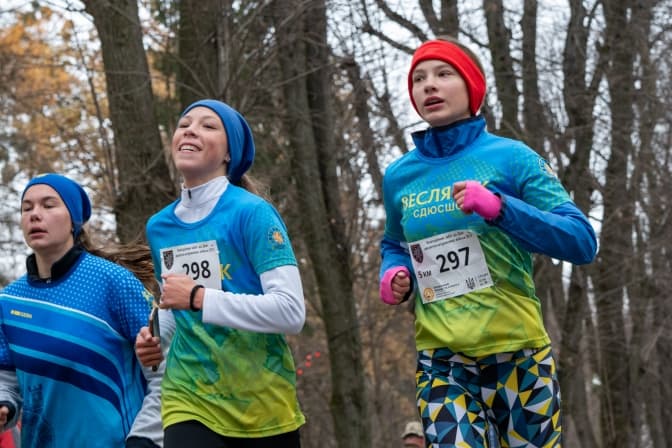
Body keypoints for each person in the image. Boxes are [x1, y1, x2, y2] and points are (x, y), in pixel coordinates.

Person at [379, 37, 597, 447]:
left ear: (472, 86)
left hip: (518, 352)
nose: (429, 85)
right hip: (442, 359)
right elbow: (394, 243)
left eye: (444, 74)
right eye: (419, 79)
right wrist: (393, 272)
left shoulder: (513, 157)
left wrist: (501, 208)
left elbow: (581, 240)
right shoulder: (399, 176)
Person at [134, 99, 306, 447]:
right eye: (184, 124)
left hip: (263, 403)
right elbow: (175, 307)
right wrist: (153, 338)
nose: (190, 131)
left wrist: (199, 298)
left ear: (230, 153)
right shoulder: (159, 227)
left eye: (208, 126)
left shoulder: (253, 213)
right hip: (189, 397)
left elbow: (291, 312)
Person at [0, 173, 163, 447]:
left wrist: (148, 437)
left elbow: (163, 368)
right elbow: (6, 377)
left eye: (48, 205)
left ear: (74, 220)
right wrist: (4, 402)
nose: (35, 215)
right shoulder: (8, 301)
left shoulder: (114, 281)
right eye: (26, 208)